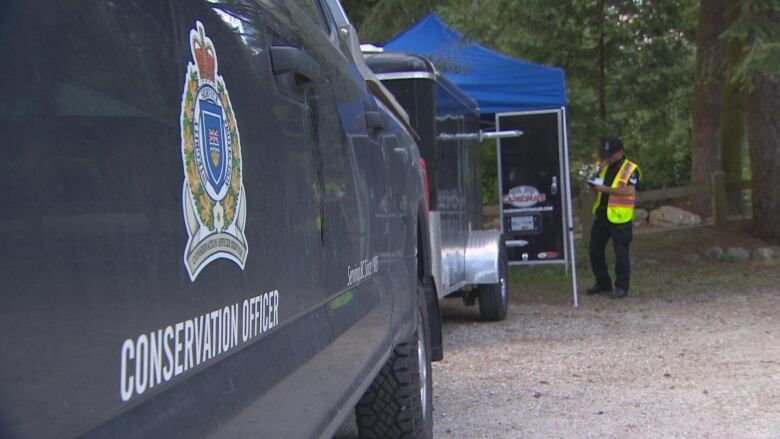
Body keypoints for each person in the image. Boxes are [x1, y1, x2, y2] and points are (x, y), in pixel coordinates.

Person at [586, 138, 642, 299]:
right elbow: (598, 188)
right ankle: (603, 282)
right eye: (605, 155)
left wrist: (604, 189)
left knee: (621, 254)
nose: (607, 158)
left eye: (610, 155)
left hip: (620, 218)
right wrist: (593, 185)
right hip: (602, 215)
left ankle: (622, 287)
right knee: (595, 250)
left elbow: (629, 191)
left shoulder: (631, 169)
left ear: (620, 153)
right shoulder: (603, 168)